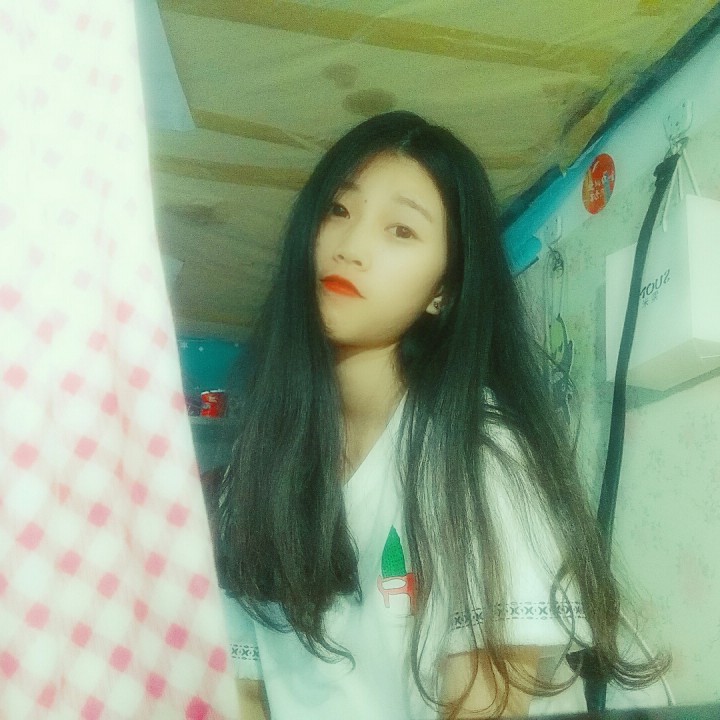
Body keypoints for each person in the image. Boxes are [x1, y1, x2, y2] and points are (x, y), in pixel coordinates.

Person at [214, 111, 667, 719]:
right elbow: (244, 691)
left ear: (442, 291)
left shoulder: (479, 455)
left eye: (401, 230)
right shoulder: (254, 471)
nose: (351, 247)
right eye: (338, 210)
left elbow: (485, 706)